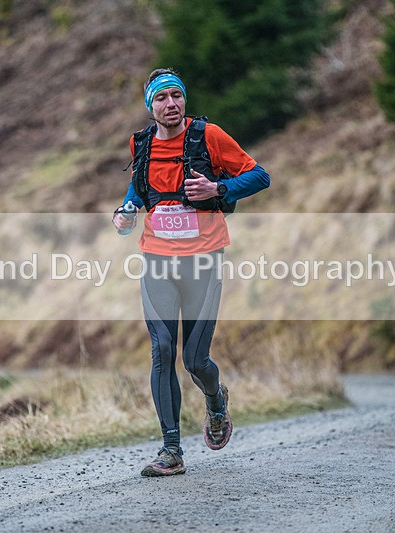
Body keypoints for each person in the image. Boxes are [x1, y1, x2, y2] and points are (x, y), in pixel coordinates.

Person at [113, 68, 270, 477]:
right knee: (162, 350)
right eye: (162, 98)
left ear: (184, 100)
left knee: (195, 359)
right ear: (151, 106)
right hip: (157, 260)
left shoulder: (209, 137)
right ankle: (171, 450)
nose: (171, 104)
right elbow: (137, 190)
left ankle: (216, 401)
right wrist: (125, 212)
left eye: (176, 96)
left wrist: (218, 190)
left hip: (203, 259)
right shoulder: (141, 143)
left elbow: (259, 175)